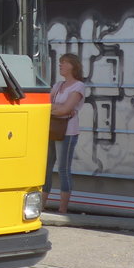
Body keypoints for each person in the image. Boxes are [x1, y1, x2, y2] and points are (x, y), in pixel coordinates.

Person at [46, 52, 87, 214]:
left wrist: (56, 109)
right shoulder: (57, 86)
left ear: (73, 66)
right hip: (52, 129)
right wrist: (57, 110)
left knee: (63, 169)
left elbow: (66, 109)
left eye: (64, 63)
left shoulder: (79, 86)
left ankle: (62, 210)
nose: (60, 65)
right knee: (46, 168)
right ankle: (41, 205)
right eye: (60, 62)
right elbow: (47, 106)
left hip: (68, 132)